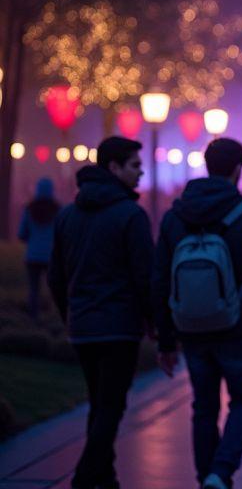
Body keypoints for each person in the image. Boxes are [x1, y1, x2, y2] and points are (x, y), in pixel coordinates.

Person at [153, 138, 242, 489]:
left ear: (206, 165)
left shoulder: (174, 218)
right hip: (238, 326)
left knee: (203, 406)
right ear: (238, 169)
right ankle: (221, 471)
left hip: (191, 328)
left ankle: (207, 477)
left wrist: (165, 339)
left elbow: (160, 280)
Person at [48, 137, 153, 489]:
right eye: (135, 166)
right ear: (114, 168)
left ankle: (105, 478)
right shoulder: (131, 216)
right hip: (119, 327)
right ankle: (84, 477)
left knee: (99, 403)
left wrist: (70, 314)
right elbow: (145, 277)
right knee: (111, 407)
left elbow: (56, 276)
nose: (141, 172)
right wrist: (157, 326)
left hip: (82, 326)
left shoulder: (67, 216)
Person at [18, 178, 60, 321]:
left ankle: (33, 318)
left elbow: (22, 234)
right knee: (54, 288)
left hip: (32, 256)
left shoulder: (29, 209)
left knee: (34, 289)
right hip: (50, 257)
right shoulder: (58, 210)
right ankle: (54, 317)